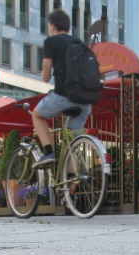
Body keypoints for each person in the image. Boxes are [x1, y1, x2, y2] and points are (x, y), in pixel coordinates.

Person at [31, 9, 93, 168]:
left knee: (37, 115)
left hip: (63, 96)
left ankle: (48, 152)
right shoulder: (78, 42)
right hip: (85, 101)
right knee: (70, 141)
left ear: (52, 26)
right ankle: (70, 185)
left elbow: (45, 75)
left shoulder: (51, 41)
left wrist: (46, 75)